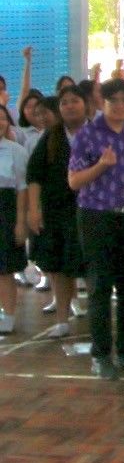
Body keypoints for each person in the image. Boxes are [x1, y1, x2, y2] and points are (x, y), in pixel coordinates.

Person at [68, 78, 124, 381]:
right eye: (112, 100)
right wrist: (101, 166)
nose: (119, 106)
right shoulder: (88, 134)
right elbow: (74, 181)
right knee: (100, 286)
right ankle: (101, 354)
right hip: (96, 217)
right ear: (101, 102)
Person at [24, 87, 88, 338]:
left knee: (92, 267)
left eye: (75, 101)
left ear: (85, 104)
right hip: (56, 211)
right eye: (65, 102)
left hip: (92, 209)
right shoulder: (52, 135)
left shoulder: (97, 132)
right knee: (59, 266)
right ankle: (62, 320)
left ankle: (99, 319)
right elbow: (34, 174)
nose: (70, 106)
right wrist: (34, 209)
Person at [0, 106, 28, 334]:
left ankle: (8, 316)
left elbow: (22, 188)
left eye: (2, 119)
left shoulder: (15, 151)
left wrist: (20, 221)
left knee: (4, 269)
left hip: (5, 211)